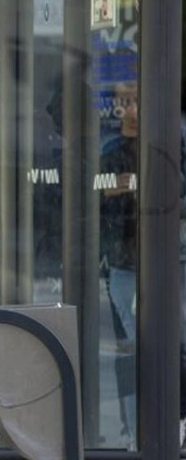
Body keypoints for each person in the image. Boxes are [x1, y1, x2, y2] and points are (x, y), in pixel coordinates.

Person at [101, 82, 138, 440]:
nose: (129, 110)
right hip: (123, 259)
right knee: (131, 343)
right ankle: (134, 430)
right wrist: (117, 187)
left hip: (168, 258)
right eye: (123, 102)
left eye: (135, 101)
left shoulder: (172, 144)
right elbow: (95, 197)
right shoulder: (110, 150)